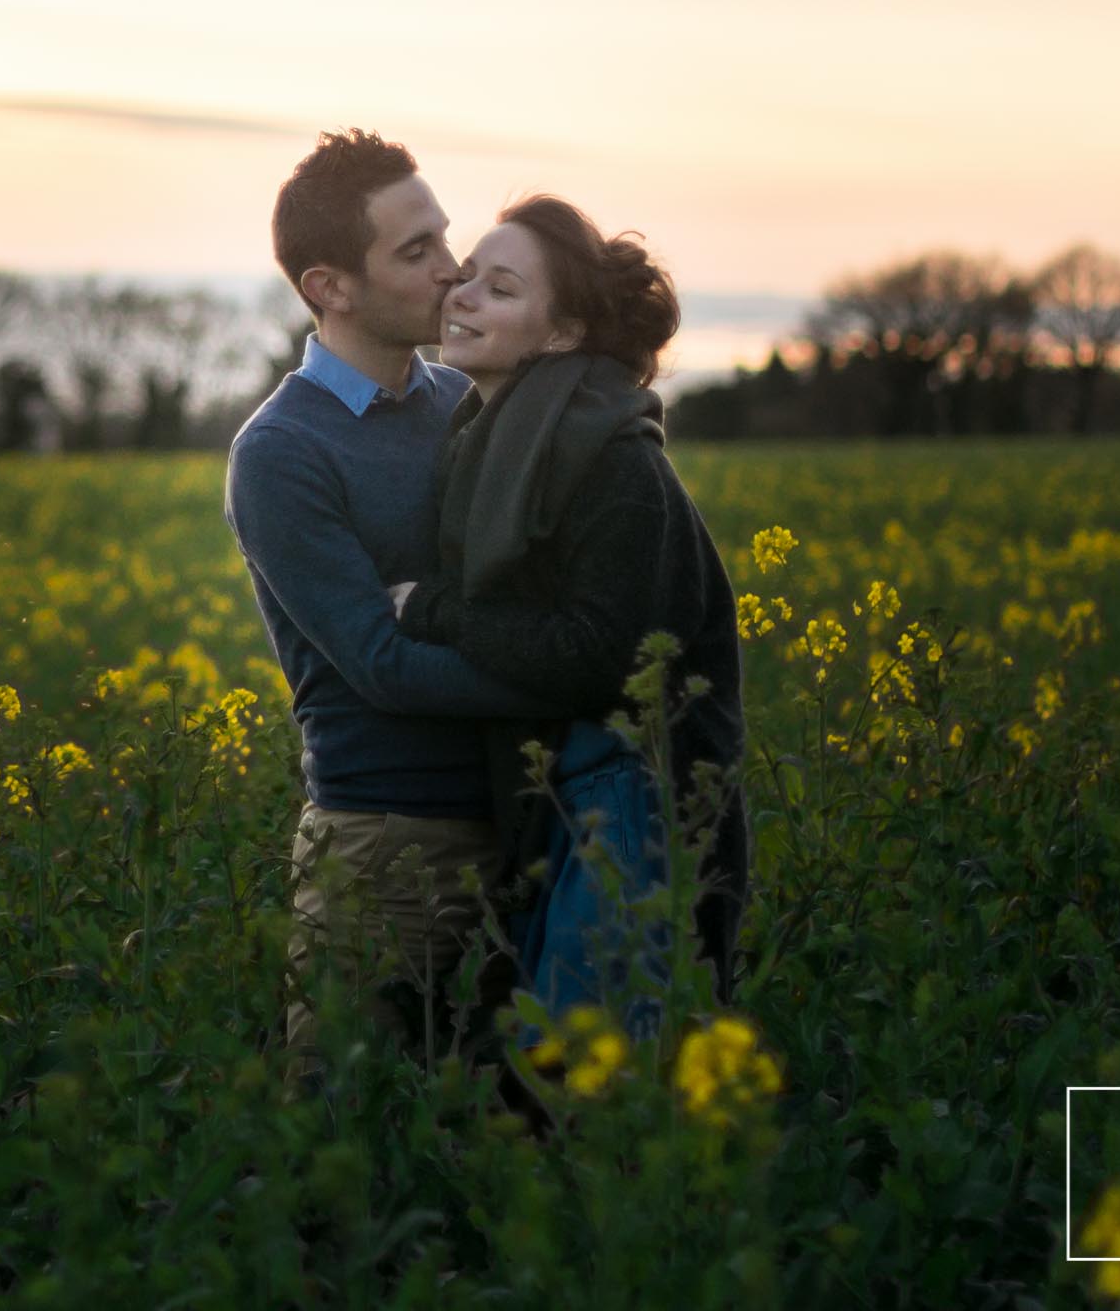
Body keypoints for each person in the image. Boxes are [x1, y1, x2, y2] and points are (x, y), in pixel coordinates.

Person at [224, 132, 562, 1067]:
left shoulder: (466, 397)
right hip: (386, 850)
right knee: (349, 1155)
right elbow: (381, 664)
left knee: (498, 1152)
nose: (453, 273)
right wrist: (573, 677)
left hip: (523, 830)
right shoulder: (283, 451)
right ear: (329, 287)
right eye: (415, 253)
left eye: (442, 238)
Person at [386, 196, 752, 1030]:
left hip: (634, 799)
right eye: (468, 274)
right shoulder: (498, 438)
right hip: (560, 791)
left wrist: (431, 611)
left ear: (561, 336)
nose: (462, 294)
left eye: (501, 288)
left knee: (587, 1086)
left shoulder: (614, 462)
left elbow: (597, 657)